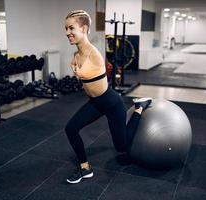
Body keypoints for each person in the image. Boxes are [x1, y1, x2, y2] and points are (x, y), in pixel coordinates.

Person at [64, 10, 152, 184]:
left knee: (122, 147)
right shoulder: (76, 55)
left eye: (71, 28)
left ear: (84, 28)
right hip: (95, 102)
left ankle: (139, 107)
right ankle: (85, 167)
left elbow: (91, 70)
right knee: (71, 128)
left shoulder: (94, 54)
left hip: (111, 103)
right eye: (66, 28)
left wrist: (79, 69)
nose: (67, 32)